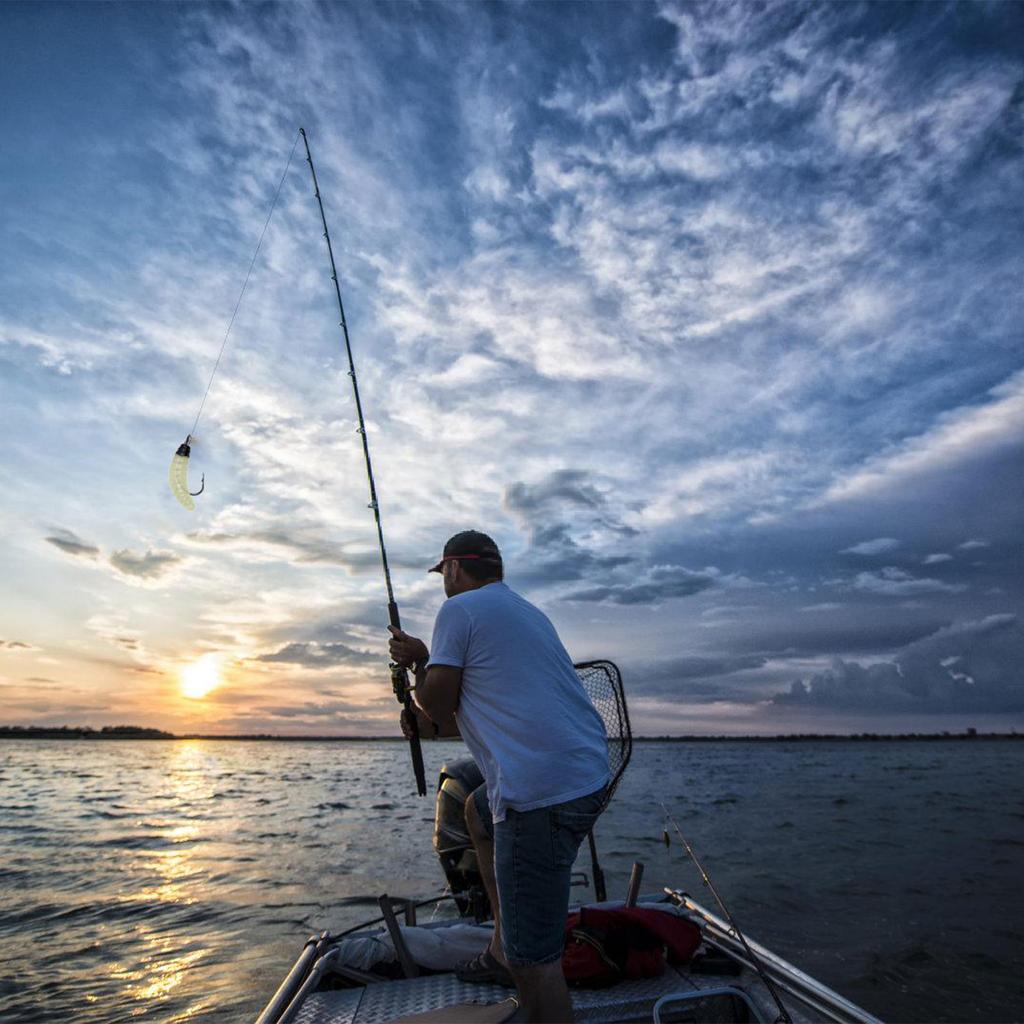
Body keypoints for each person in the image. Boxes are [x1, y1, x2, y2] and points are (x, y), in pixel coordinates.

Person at [388, 530, 609, 1024]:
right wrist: (424, 710)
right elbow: (451, 718)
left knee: (539, 965)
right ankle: (502, 945)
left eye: (443, 572)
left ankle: (523, 960)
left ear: (454, 569)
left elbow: (438, 703)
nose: (443, 582)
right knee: (478, 810)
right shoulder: (525, 612)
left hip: (541, 792)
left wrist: (420, 661)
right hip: (586, 774)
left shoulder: (459, 610)